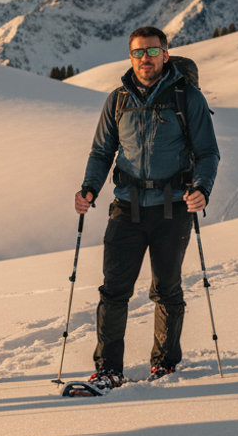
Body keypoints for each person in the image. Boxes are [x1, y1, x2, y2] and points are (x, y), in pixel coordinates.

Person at [73, 26, 220, 388]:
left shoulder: (188, 98)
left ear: (165, 55)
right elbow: (102, 152)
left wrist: (202, 188)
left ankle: (165, 363)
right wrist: (89, 188)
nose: (145, 59)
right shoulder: (118, 100)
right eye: (138, 53)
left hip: (173, 208)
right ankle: (108, 368)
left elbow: (207, 152)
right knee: (113, 290)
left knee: (167, 289)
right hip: (126, 208)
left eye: (152, 52)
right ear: (130, 57)